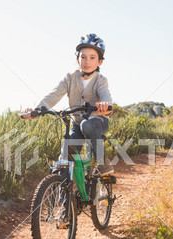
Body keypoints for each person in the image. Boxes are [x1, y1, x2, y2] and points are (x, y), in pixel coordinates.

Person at [22, 33, 114, 176]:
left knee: (87, 125)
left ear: (99, 62)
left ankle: (102, 161)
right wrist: (36, 110)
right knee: (65, 158)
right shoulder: (69, 78)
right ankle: (61, 192)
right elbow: (54, 94)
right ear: (77, 59)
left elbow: (105, 96)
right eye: (83, 57)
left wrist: (105, 104)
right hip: (77, 124)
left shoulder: (101, 80)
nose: (87, 62)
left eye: (92, 58)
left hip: (97, 122)